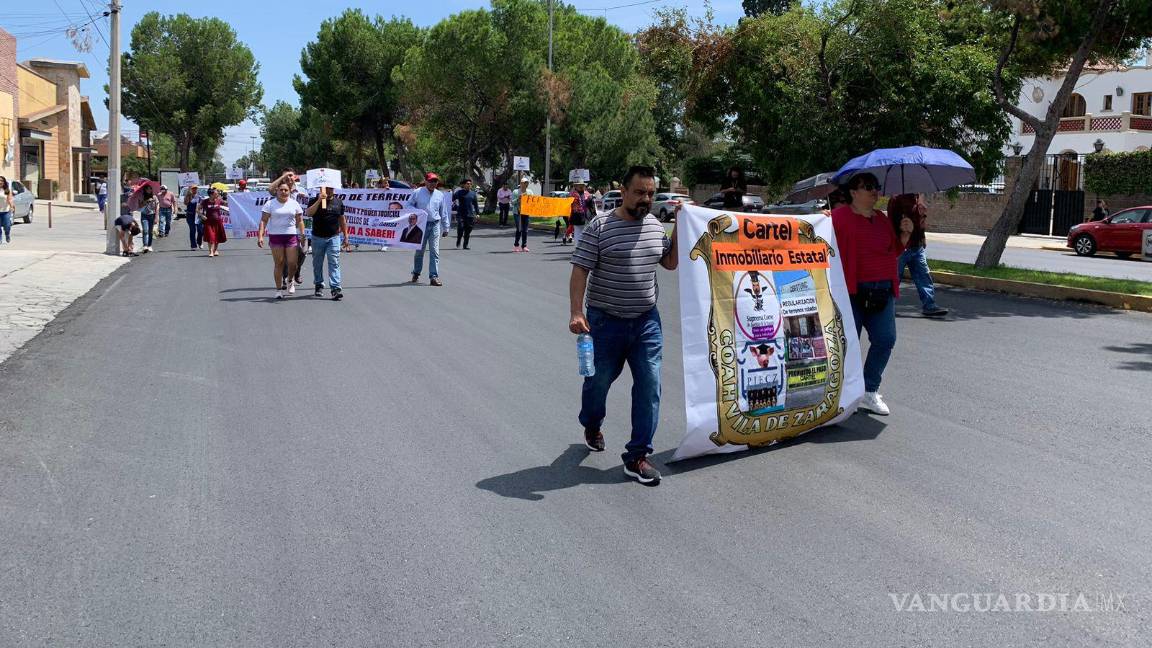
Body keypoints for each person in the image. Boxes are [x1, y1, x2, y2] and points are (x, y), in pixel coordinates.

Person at [569, 165, 677, 485]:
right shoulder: (600, 226)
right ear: (624, 192)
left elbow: (669, 263)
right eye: (640, 192)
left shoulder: (655, 226)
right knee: (598, 383)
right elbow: (580, 269)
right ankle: (592, 423)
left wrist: (681, 227)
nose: (646, 199)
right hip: (605, 321)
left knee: (650, 385)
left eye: (651, 193)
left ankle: (637, 456)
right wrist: (577, 312)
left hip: (646, 322)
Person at [831, 172, 913, 416]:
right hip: (852, 293)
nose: (874, 190)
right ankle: (847, 392)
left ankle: (869, 389)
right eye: (868, 186)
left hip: (882, 291)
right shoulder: (838, 217)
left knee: (885, 339)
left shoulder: (882, 219)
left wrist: (905, 235)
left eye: (875, 186)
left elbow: (893, 250)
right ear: (853, 192)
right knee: (849, 344)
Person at [889, 193, 947, 317]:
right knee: (894, 278)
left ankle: (929, 305)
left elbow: (920, 221)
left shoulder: (918, 197)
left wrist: (923, 236)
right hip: (902, 245)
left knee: (924, 275)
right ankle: (888, 307)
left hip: (916, 246)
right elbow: (891, 223)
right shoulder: (896, 199)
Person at [258, 182, 306, 299]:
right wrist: (260, 236)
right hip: (276, 236)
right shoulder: (270, 204)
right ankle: (278, 290)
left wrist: (302, 234)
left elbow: (300, 221)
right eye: (281, 190)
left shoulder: (294, 203)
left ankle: (290, 280)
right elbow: (264, 220)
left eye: (286, 190)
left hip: (291, 236)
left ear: (289, 191)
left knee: (292, 263)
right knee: (279, 263)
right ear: (277, 191)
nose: (283, 192)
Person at [405, 172, 451, 286]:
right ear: (425, 181)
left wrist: (446, 227)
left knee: (434, 251)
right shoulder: (417, 192)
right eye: (430, 181)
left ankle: (433, 277)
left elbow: (443, 211)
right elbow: (408, 205)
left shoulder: (439, 195)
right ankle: (416, 272)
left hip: (435, 224)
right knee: (419, 251)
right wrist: (418, 212)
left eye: (435, 181)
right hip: (421, 225)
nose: (432, 183)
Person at [307, 185, 348, 300]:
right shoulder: (313, 200)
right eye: (326, 188)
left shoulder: (338, 202)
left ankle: (335, 288)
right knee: (317, 263)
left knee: (334, 262)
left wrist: (346, 235)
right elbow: (309, 213)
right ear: (321, 189)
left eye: (331, 188)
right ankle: (319, 284)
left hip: (333, 237)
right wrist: (319, 200)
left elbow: (342, 219)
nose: (329, 191)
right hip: (317, 237)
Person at [201, 187, 228, 257]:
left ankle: (215, 250)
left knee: (217, 237)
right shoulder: (205, 201)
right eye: (216, 193)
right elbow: (197, 209)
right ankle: (211, 251)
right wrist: (202, 215)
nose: (217, 194)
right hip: (208, 222)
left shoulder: (219, 200)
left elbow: (227, 204)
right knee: (211, 237)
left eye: (217, 193)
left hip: (218, 222)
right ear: (211, 194)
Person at [453, 178, 480, 249]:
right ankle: (459, 239)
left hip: (470, 215)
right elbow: (452, 198)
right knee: (461, 228)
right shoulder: (459, 192)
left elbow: (476, 204)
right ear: (464, 185)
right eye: (467, 184)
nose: (469, 185)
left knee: (468, 231)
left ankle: (465, 245)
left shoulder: (473, 194)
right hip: (461, 214)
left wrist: (477, 213)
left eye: (470, 184)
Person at [568, 181, 594, 246]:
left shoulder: (586, 194)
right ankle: (578, 247)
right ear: (576, 186)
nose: (581, 186)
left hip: (585, 217)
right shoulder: (572, 195)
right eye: (579, 185)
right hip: (577, 217)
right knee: (578, 232)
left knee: (584, 233)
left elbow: (591, 205)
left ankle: (582, 247)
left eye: (582, 185)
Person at [512, 178, 532, 252]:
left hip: (526, 212)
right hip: (517, 213)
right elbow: (512, 202)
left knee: (525, 230)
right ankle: (516, 245)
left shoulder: (530, 192)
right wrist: (519, 198)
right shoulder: (516, 192)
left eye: (527, 183)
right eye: (524, 183)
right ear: (521, 183)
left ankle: (524, 246)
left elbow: (532, 202)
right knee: (519, 229)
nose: (525, 184)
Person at [136, 184, 158, 253]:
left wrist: (156, 217)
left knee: (150, 231)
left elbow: (157, 207)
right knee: (145, 230)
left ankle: (149, 245)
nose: (149, 190)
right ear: (145, 190)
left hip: (152, 215)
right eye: (147, 189)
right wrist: (146, 201)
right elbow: (139, 206)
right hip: (144, 215)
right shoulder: (142, 197)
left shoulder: (154, 197)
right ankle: (145, 245)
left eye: (150, 189)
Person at [183, 185, 203, 250]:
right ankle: (193, 245)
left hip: (198, 216)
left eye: (195, 188)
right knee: (192, 230)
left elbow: (202, 205)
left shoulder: (199, 197)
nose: (194, 190)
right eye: (193, 189)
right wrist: (188, 194)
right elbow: (185, 203)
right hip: (190, 215)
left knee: (200, 230)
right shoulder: (188, 196)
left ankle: (199, 242)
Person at [0, 176, 13, 244]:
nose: (0, 182)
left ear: (4, 182)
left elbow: (10, 199)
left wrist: (11, 206)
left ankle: (7, 234)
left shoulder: (7, 190)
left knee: (7, 226)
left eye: (1, 180)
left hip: (6, 211)